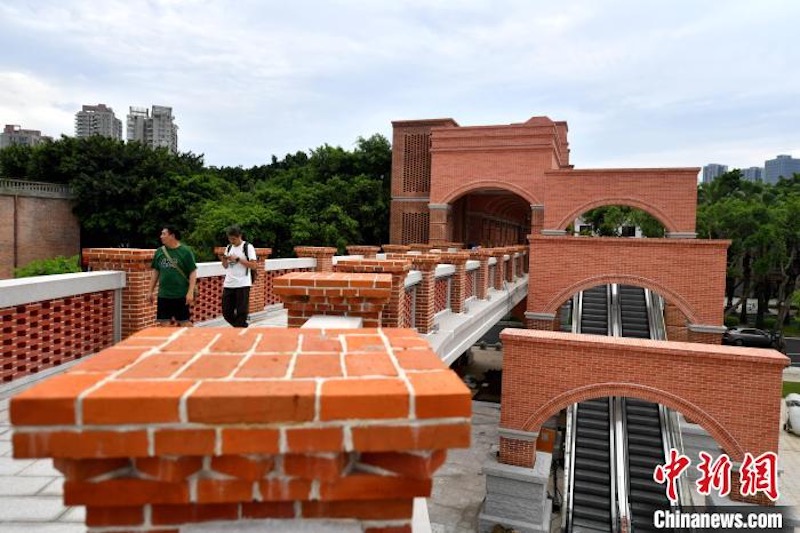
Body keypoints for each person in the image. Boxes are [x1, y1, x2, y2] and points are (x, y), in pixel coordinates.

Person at [148, 226, 197, 326]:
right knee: (163, 324)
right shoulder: (159, 252)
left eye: (164, 234)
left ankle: (192, 340)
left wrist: (190, 292)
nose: (161, 236)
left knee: (185, 324)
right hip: (164, 295)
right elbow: (156, 272)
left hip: (181, 294)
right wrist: (150, 291)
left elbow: (193, 272)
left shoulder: (186, 251)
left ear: (172, 236)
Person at [219, 225, 258, 328]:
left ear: (240, 236)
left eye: (234, 239)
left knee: (241, 313)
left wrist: (238, 259)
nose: (232, 241)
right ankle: (241, 327)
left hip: (243, 284)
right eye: (229, 238)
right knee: (226, 313)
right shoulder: (229, 247)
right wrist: (224, 259)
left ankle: (240, 330)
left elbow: (254, 265)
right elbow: (226, 266)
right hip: (229, 283)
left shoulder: (248, 247)